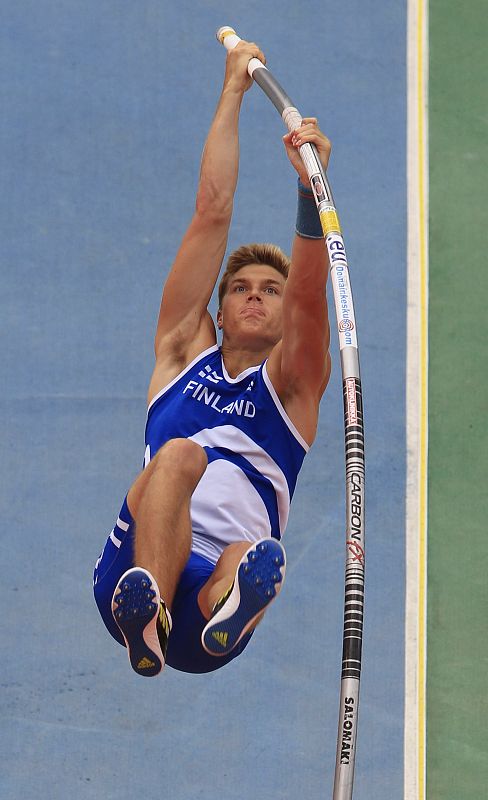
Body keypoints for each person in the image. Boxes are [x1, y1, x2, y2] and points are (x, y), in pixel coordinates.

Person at [93, 40, 332, 677]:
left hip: (207, 615)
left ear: (284, 316)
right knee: (179, 456)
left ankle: (230, 606)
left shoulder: (293, 388)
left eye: (270, 290)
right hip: (131, 577)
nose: (254, 295)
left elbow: (311, 296)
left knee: (249, 555)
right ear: (217, 312)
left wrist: (310, 192)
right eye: (240, 288)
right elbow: (211, 211)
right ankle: (151, 608)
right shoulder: (181, 354)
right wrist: (232, 92)